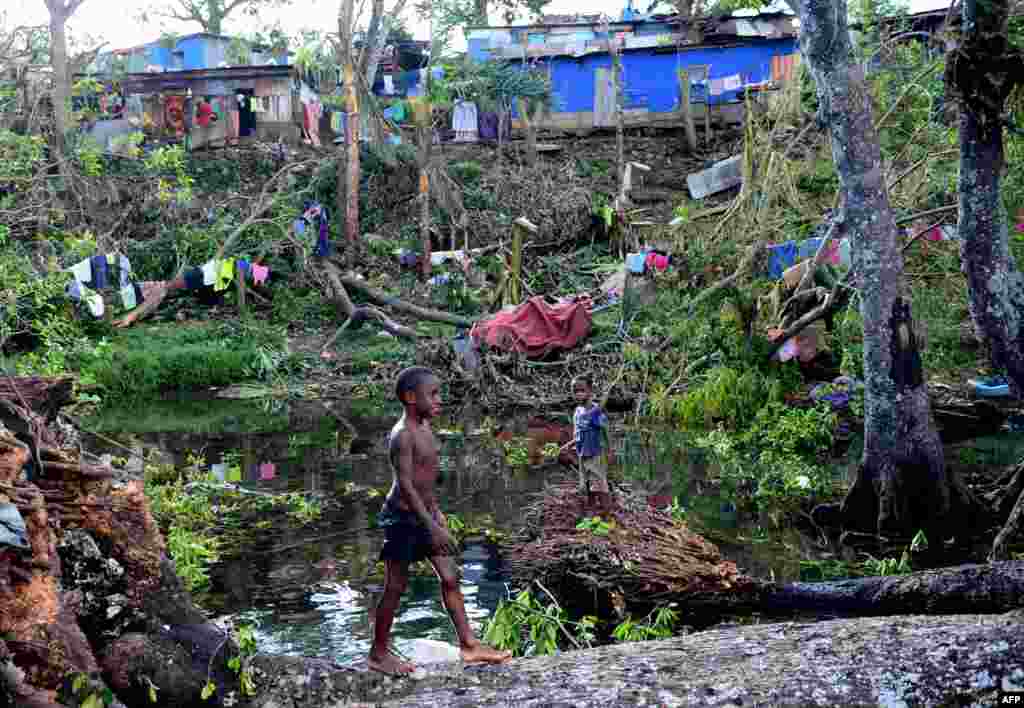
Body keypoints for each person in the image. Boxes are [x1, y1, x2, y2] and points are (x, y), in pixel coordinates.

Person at [368, 366, 512, 675]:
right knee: (395, 586)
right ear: (409, 397)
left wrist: (436, 514)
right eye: (432, 394)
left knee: (449, 576)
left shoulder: (425, 427)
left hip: (425, 514)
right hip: (402, 520)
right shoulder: (402, 435)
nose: (439, 400)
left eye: (438, 394)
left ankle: (470, 646)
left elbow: (425, 481)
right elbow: (406, 485)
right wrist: (430, 525)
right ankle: (378, 653)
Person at [562, 375, 613, 513]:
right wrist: (569, 445)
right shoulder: (578, 412)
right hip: (582, 454)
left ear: (590, 391)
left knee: (600, 486)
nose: (578, 394)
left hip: (595, 454)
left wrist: (610, 451)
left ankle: (608, 513)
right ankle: (591, 510)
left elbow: (605, 430)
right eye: (575, 391)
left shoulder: (595, 411)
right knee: (587, 484)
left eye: (582, 390)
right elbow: (580, 433)